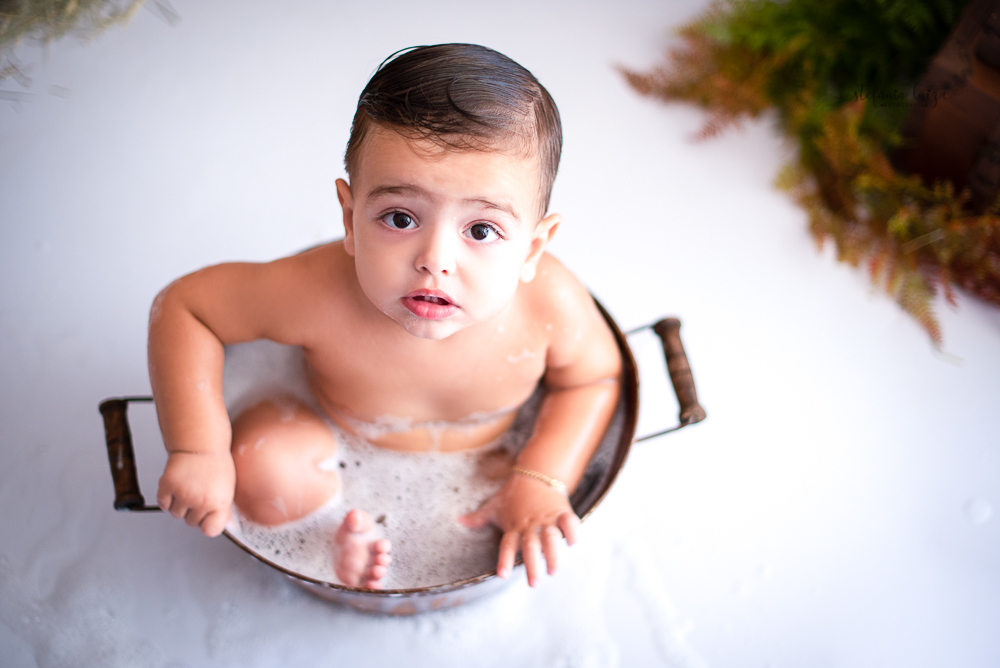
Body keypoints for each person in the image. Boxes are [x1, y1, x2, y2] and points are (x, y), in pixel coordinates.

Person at [149, 43, 621, 589]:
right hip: (330, 445)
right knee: (264, 465)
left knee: (518, 512)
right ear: (350, 218)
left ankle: (498, 502)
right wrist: (198, 448)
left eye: (481, 230)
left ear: (533, 248)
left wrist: (541, 476)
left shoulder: (548, 305)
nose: (435, 261)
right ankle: (328, 538)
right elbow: (186, 308)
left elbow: (594, 378)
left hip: (490, 467)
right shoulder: (316, 293)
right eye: (400, 218)